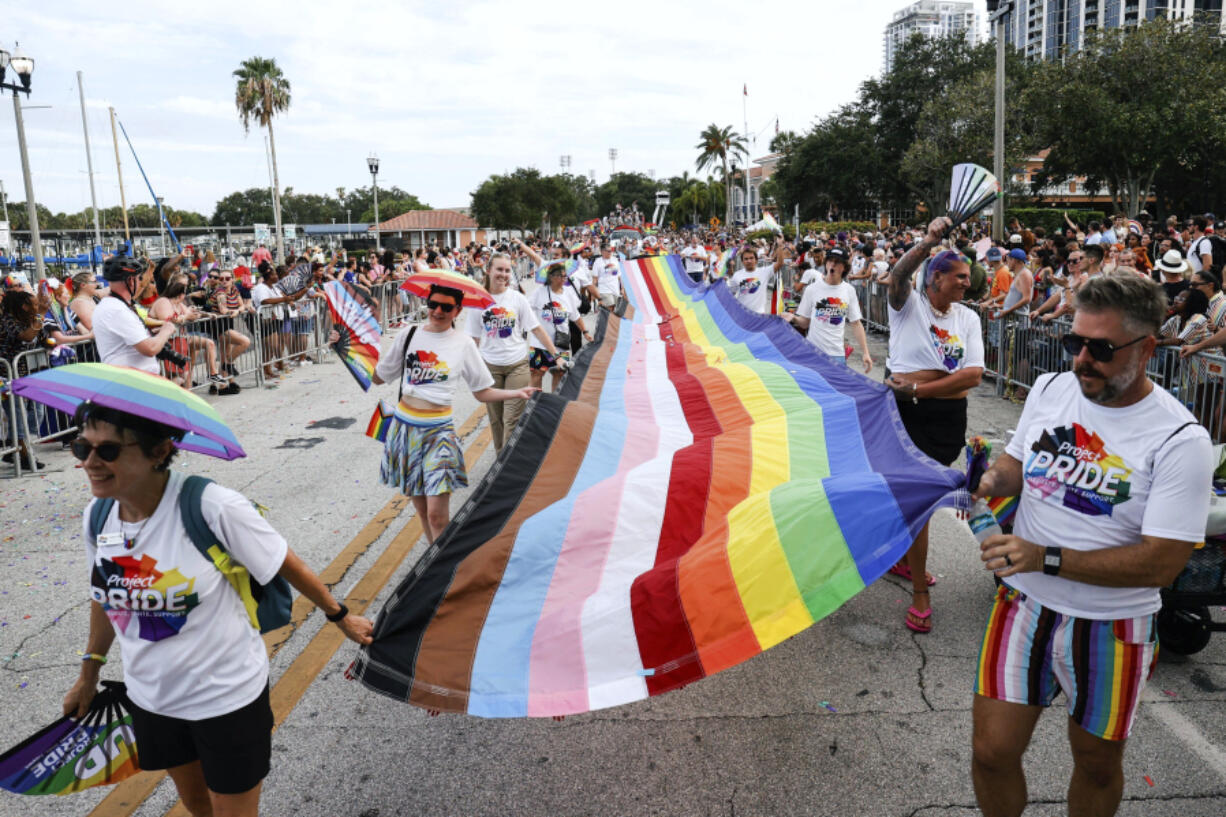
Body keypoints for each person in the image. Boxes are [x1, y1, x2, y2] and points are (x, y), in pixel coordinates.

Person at [969, 273, 1211, 817]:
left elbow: (1163, 562)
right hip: (1024, 605)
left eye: (1099, 349)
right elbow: (1016, 465)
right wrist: (988, 482)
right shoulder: (1054, 389)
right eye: (1073, 342)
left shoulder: (1180, 440)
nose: (1081, 359)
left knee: (1097, 765)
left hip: (1113, 625)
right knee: (991, 752)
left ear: (1146, 347)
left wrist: (1043, 557)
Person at [62, 402, 374, 817]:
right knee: (196, 805)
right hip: (153, 698)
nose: (90, 463)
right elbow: (103, 595)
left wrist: (341, 617)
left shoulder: (212, 506)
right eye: (82, 447)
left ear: (159, 451)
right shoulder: (98, 517)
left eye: (109, 451)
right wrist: (89, 674)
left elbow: (285, 562)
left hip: (225, 698)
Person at [364, 284, 537, 542]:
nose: (438, 311)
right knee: (422, 510)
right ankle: (433, 563)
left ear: (457, 310)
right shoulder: (408, 335)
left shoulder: (464, 344)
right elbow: (378, 378)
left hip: (439, 434)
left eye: (446, 307)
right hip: (405, 430)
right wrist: (352, 353)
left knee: (437, 515)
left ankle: (442, 571)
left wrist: (516, 393)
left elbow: (482, 391)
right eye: (433, 304)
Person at [883, 218, 985, 634]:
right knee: (918, 500)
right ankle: (920, 592)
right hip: (902, 416)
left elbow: (973, 377)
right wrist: (927, 241)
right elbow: (898, 275)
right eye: (959, 277)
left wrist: (921, 387)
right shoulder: (909, 305)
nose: (967, 284)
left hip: (942, 420)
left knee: (915, 498)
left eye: (968, 278)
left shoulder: (968, 319)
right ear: (936, 277)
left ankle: (903, 560)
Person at [468, 253, 561, 452]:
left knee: (511, 419)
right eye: (499, 269)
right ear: (488, 270)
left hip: (517, 365)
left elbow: (536, 329)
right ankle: (500, 458)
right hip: (490, 368)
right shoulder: (478, 301)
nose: (503, 274)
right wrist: (466, 367)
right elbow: (473, 340)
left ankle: (504, 466)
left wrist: (557, 356)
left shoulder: (517, 299)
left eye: (507, 270)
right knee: (496, 420)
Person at [783, 247, 873, 373]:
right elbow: (805, 322)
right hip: (812, 352)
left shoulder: (849, 290)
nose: (833, 265)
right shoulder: (812, 289)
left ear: (845, 268)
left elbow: (856, 324)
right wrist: (793, 318)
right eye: (830, 261)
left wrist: (866, 353)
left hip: (836, 355)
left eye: (837, 262)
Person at [93, 256, 179, 376]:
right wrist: (166, 330)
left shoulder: (111, 304)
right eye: (139, 278)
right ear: (130, 281)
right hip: (133, 382)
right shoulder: (117, 310)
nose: (140, 283)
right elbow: (150, 349)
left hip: (133, 379)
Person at [529, 263, 590, 393]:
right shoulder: (540, 292)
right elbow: (527, 311)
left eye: (565, 276)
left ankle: (553, 402)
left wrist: (585, 332)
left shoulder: (568, 294)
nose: (564, 279)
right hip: (540, 343)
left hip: (560, 343)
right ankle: (534, 403)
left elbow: (576, 316)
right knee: (537, 373)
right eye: (560, 276)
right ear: (551, 277)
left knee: (559, 373)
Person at [728, 240, 787, 314]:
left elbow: (780, 263)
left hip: (759, 315)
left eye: (751, 258)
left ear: (756, 260)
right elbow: (730, 294)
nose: (749, 261)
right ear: (742, 261)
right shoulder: (737, 275)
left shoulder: (765, 272)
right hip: (742, 314)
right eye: (746, 259)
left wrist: (780, 246)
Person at [592, 243, 623, 309]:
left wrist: (622, 288)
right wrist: (594, 293)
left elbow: (619, 276)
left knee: (615, 308)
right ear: (602, 251)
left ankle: (605, 318)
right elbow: (595, 279)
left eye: (611, 250)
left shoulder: (615, 260)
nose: (610, 252)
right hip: (604, 289)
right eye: (608, 251)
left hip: (615, 289)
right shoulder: (597, 262)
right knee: (610, 307)